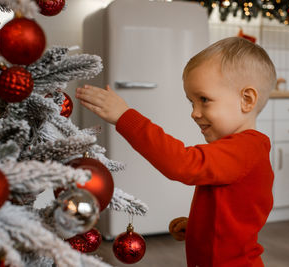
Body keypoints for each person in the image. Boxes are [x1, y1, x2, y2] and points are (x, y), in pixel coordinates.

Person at [76, 36, 276, 267]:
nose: (194, 113)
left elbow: (182, 164)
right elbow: (237, 214)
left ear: (247, 100)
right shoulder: (239, 149)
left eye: (204, 99)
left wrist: (125, 117)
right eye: (192, 102)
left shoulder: (244, 149)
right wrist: (198, 226)